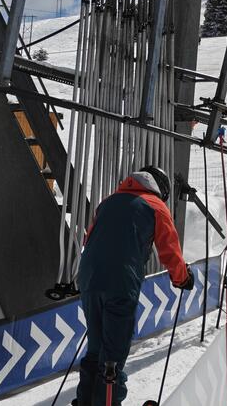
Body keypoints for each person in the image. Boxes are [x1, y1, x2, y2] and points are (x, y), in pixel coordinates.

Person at [74, 166, 193, 406]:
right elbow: (169, 250)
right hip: (120, 283)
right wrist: (182, 278)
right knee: (113, 357)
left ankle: (86, 401)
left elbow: (90, 239)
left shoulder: (108, 202)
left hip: (88, 280)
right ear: (161, 189)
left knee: (95, 348)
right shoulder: (156, 206)